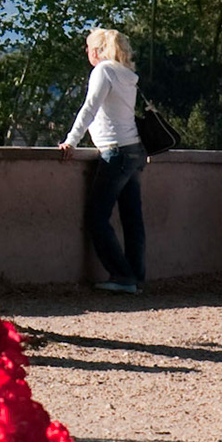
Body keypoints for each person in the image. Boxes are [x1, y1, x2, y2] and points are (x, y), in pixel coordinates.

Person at [58, 26, 147, 294]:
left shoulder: (103, 71)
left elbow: (90, 107)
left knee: (97, 216)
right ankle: (136, 277)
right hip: (134, 150)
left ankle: (122, 276)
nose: (87, 52)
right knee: (132, 218)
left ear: (96, 51)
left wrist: (71, 141)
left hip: (115, 151)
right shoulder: (127, 74)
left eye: (88, 48)